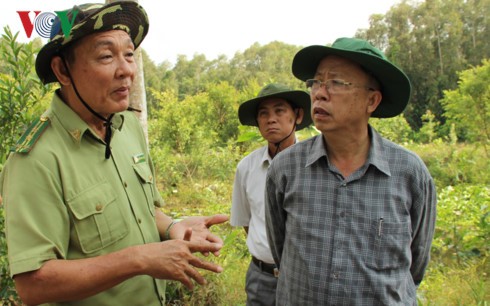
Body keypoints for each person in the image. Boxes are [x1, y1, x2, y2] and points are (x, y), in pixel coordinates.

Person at [0, 2, 228, 305]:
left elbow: (145, 211)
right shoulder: (36, 159)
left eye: (130, 54)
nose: (126, 70)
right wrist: (139, 259)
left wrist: (175, 227)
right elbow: (34, 284)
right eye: (106, 56)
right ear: (62, 70)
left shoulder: (127, 127)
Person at [265, 37, 437, 305]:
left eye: (335, 82)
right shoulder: (286, 168)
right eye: (316, 82)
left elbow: (415, 264)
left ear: (372, 101)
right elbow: (280, 249)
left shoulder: (409, 173)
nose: (320, 93)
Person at [231, 83, 312, 305]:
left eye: (279, 110)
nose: (271, 119)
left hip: (305, 279)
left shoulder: (315, 165)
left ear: (297, 115)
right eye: (263, 113)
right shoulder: (247, 168)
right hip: (262, 278)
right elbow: (246, 222)